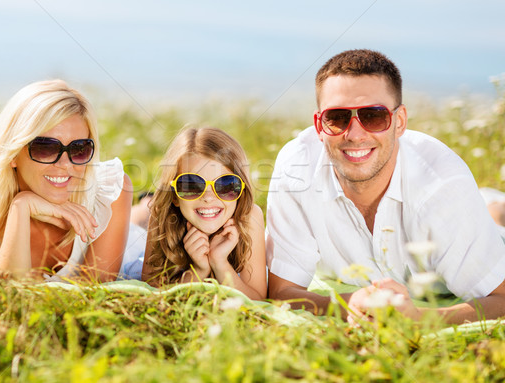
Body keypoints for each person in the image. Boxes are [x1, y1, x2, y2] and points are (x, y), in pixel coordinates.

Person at [266, 49, 505, 323]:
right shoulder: (296, 169)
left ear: (399, 121)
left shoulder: (444, 186)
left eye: (373, 116)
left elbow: (501, 297)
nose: (355, 134)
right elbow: (283, 291)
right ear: (319, 126)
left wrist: (419, 318)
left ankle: (495, 209)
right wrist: (349, 304)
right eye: (337, 118)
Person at [0, 79, 141, 282]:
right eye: (46, 148)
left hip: (134, 247)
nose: (66, 165)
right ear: (12, 154)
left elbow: (91, 292)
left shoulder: (110, 194)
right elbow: (4, 295)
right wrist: (21, 206)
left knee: (144, 215)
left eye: (79, 149)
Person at [141, 127, 267, 300]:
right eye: (191, 185)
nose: (208, 198)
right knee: (140, 214)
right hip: (157, 214)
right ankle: (142, 203)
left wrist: (220, 263)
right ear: (174, 195)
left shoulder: (249, 217)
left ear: (241, 190)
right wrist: (198, 271)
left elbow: (257, 300)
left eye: (225, 185)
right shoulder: (161, 212)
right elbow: (151, 294)